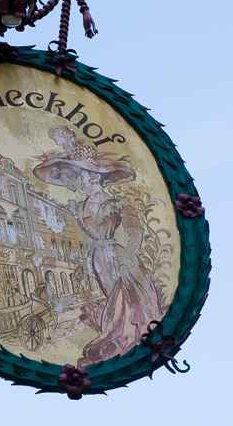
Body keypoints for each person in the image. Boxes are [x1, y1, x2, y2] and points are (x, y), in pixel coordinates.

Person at [33, 128, 165, 365]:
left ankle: (124, 336)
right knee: (110, 292)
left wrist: (128, 253)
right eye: (77, 177)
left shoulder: (114, 202)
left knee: (124, 295)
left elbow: (135, 230)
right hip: (98, 258)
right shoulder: (81, 205)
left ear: (94, 177)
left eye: (82, 176)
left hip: (117, 256)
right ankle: (118, 337)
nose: (79, 182)